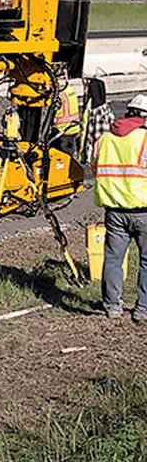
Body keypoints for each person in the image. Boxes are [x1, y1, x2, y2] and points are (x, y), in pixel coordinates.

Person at [93, 93, 147, 322]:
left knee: (113, 260)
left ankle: (112, 307)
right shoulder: (144, 139)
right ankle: (142, 309)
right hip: (143, 209)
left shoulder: (105, 139)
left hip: (114, 210)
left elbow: (95, 167)